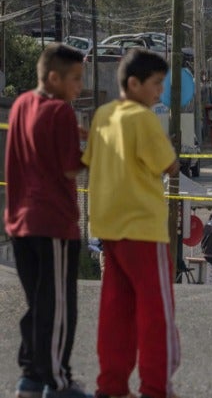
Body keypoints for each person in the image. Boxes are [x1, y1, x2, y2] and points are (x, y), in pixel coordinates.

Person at [82, 48, 181, 398]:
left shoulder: (103, 115)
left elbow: (90, 159)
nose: (159, 92)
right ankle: (156, 387)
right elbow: (167, 165)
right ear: (134, 83)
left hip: (109, 229)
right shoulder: (143, 119)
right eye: (156, 84)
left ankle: (111, 385)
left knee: (116, 313)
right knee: (156, 314)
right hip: (144, 230)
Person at [5, 43, 93, 398]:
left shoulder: (22, 104)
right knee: (59, 308)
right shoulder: (59, 113)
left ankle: (31, 376)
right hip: (53, 223)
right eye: (75, 79)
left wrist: (81, 134)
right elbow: (71, 166)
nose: (80, 87)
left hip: (20, 222)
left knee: (38, 305)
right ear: (54, 77)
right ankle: (58, 382)